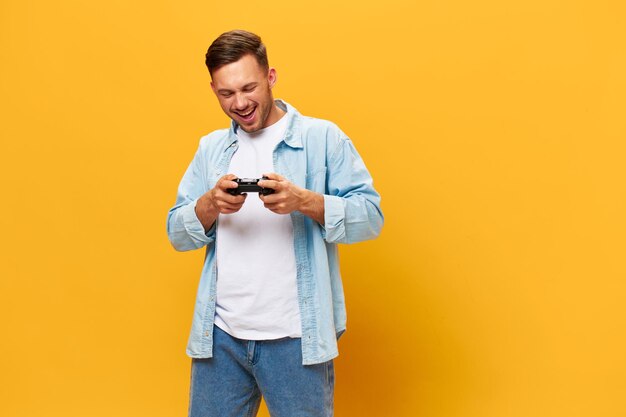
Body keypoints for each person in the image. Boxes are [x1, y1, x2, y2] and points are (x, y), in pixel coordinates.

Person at [166, 29, 383, 417]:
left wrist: (306, 201)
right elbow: (176, 234)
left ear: (271, 77)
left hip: (296, 339)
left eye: (249, 87)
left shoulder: (322, 138)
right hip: (221, 339)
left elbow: (371, 218)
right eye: (226, 94)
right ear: (213, 89)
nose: (241, 103)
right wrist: (209, 205)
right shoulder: (211, 149)